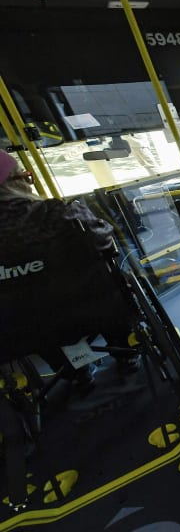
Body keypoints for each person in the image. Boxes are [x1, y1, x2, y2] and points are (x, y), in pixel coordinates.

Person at [0, 150, 139, 392]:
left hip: (22, 333)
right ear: (15, 183)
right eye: (25, 175)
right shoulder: (58, 214)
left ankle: (75, 372)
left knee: (31, 315)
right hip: (91, 308)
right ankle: (125, 352)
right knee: (106, 284)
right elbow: (105, 242)